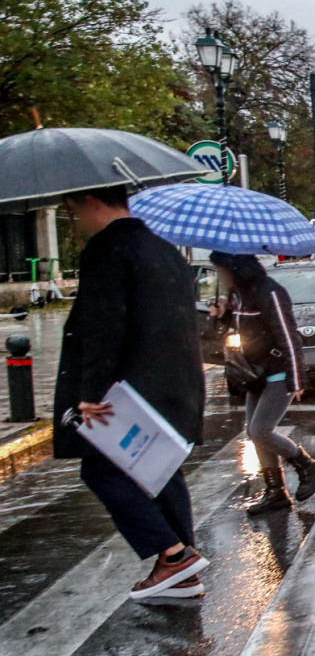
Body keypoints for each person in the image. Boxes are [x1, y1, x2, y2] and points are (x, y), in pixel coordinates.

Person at [54, 185, 208, 600]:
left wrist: (90, 393)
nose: (75, 220)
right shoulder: (164, 249)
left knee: (102, 470)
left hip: (128, 391)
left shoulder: (107, 250)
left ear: (90, 202)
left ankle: (174, 556)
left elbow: (103, 327)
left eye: (71, 208)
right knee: (160, 470)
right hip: (175, 385)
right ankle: (182, 571)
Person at [208, 252, 315, 515]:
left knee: (260, 430)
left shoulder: (271, 292)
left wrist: (297, 378)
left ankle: (308, 466)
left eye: (221, 270)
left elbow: (288, 336)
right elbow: (248, 330)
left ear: (235, 268)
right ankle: (276, 493)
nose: (220, 276)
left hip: (277, 372)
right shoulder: (238, 295)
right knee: (253, 432)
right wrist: (223, 315)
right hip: (254, 374)